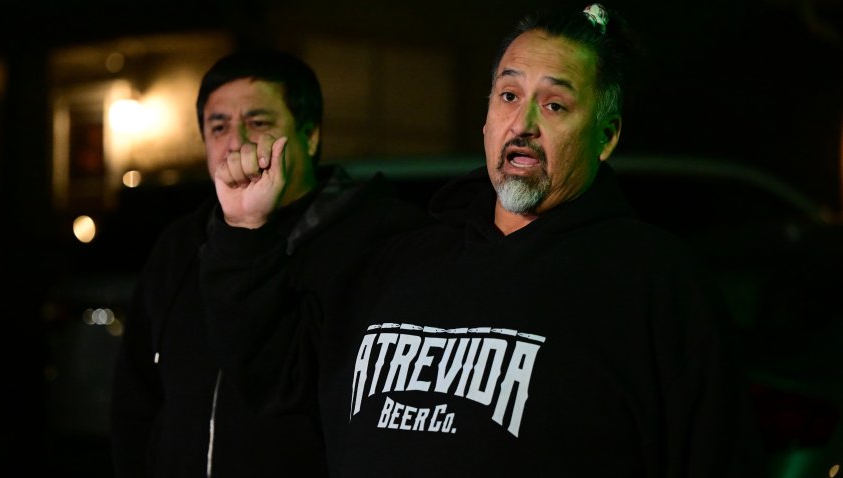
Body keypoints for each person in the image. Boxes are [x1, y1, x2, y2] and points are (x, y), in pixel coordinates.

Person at [200, 4, 765, 476]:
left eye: (555, 105)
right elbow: (275, 379)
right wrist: (246, 233)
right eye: (508, 96)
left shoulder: (654, 283)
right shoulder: (396, 261)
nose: (523, 124)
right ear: (487, 119)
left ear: (607, 136)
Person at [109, 49, 428, 477]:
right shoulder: (182, 244)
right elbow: (136, 396)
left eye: (258, 123)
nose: (236, 142)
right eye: (218, 126)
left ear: (309, 135)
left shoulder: (376, 239)